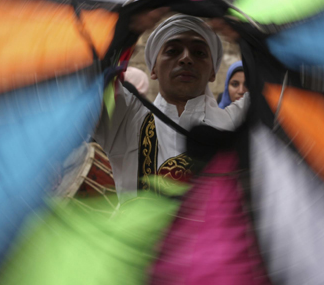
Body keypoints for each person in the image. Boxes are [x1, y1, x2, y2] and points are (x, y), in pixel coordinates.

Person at [94, 14, 248, 199]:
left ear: (213, 72)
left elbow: (278, 85)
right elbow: (88, 74)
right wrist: (127, 31)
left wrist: (247, 39)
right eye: (172, 51)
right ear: (153, 69)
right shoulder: (125, 119)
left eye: (199, 52)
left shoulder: (236, 124)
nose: (186, 59)